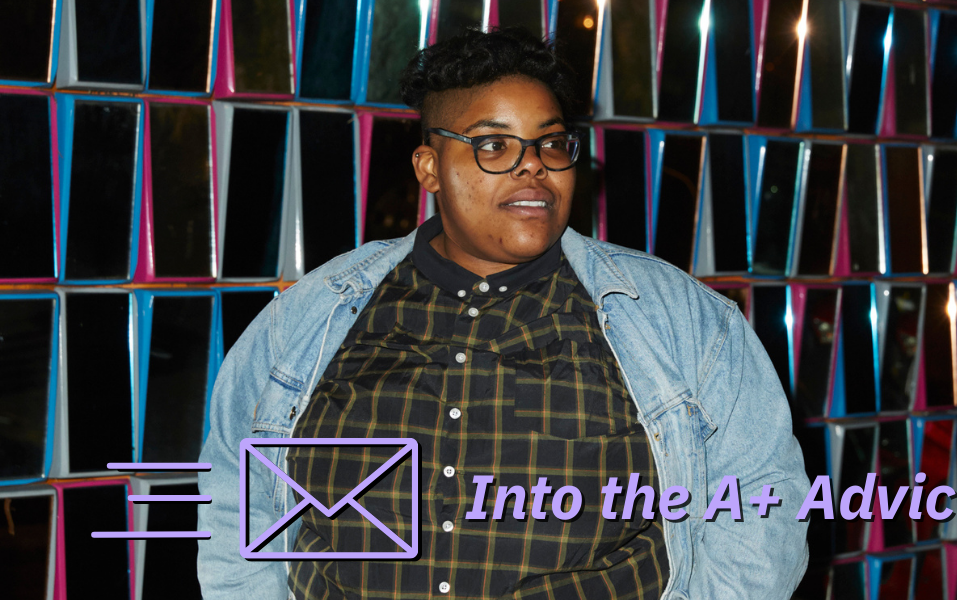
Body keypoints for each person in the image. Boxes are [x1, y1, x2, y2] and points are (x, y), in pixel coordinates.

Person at [198, 27, 810, 599]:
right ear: (430, 168)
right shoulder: (315, 315)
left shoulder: (679, 320)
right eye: (494, 144)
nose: (533, 165)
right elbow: (234, 495)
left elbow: (762, 504)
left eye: (551, 143)